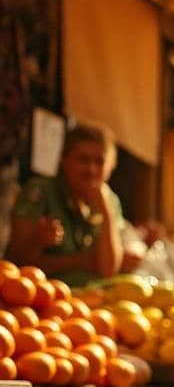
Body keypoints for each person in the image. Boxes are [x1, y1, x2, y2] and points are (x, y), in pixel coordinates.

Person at [7, 122, 126, 286]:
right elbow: (14, 264)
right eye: (83, 160)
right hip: (44, 301)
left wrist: (106, 213)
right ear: (65, 160)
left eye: (100, 162)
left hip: (92, 304)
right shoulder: (40, 192)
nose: (91, 170)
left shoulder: (110, 200)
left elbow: (108, 269)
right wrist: (38, 242)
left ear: (111, 167)